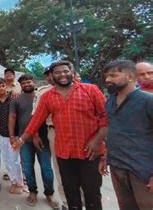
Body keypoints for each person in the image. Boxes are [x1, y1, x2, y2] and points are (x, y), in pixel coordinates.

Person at [13, 61, 107, 210]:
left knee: (92, 193)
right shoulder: (47, 96)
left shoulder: (91, 90)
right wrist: (21, 140)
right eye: (58, 72)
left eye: (65, 71)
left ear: (72, 72)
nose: (62, 75)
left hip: (89, 152)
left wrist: (97, 142)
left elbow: (106, 117)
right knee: (70, 192)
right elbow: (36, 120)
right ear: (52, 76)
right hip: (64, 152)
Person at [99, 60, 153, 210]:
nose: (108, 80)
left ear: (130, 77)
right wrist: (106, 156)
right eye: (106, 76)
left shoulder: (147, 101)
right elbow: (114, 130)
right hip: (118, 167)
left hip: (143, 171)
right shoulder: (110, 102)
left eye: (113, 75)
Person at [9, 74, 57, 207]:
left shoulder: (42, 96)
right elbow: (12, 118)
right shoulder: (16, 99)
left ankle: (49, 193)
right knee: (27, 168)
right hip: (24, 140)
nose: (26, 85)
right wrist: (12, 136)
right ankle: (32, 191)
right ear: (20, 85)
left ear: (33, 82)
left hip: (43, 138)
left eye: (28, 82)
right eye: (23, 83)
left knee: (46, 167)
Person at [33, 67, 67, 207]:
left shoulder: (80, 90)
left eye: (55, 74)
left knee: (82, 170)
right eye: (50, 75)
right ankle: (66, 202)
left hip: (77, 133)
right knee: (59, 168)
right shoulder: (43, 92)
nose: (52, 77)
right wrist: (34, 135)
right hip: (53, 132)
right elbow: (35, 116)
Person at [0, 78, 24, 194]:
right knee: (6, 159)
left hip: (14, 135)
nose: (1, 88)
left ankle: (20, 183)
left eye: (2, 86)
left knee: (15, 160)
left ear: (6, 86)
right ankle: (13, 181)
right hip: (2, 134)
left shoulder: (13, 98)